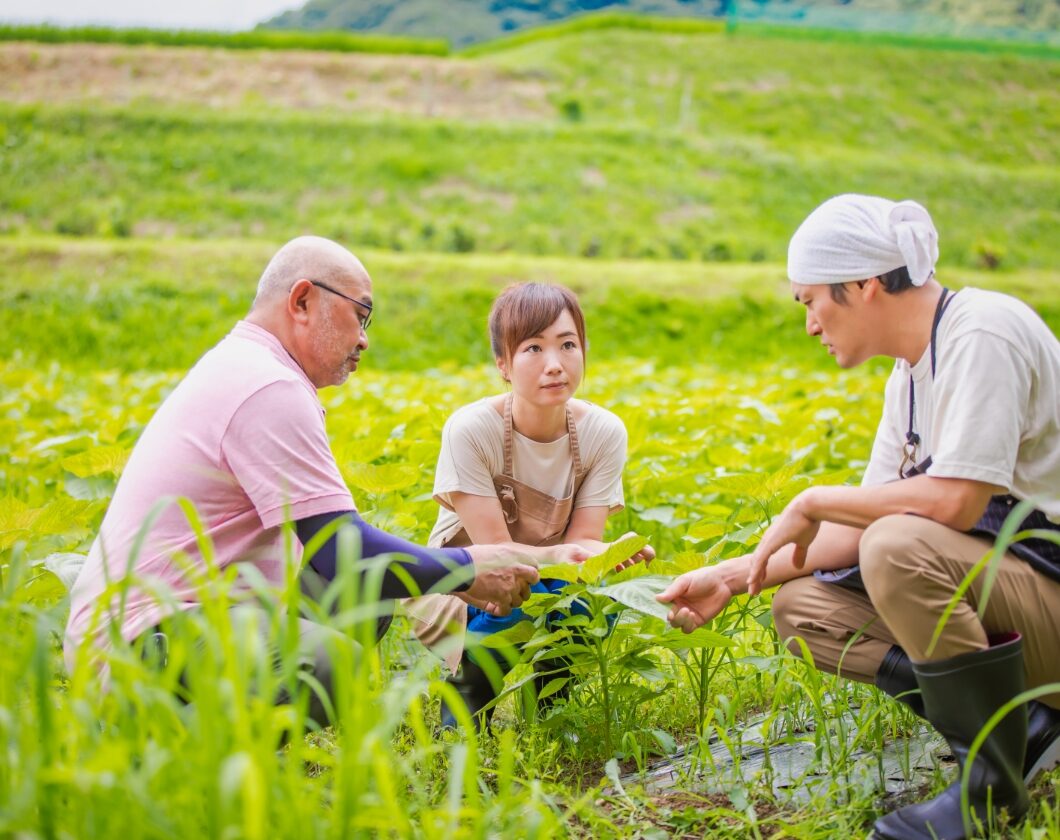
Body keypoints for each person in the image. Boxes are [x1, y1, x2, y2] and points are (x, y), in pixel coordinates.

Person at [657, 195, 1060, 839]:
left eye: (810, 300)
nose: (810, 324)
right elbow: (852, 535)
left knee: (897, 547)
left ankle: (990, 790)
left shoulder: (983, 330)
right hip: (1021, 596)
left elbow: (956, 501)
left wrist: (811, 499)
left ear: (865, 286)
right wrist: (733, 577)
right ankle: (1016, 729)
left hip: (1051, 592)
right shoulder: (906, 378)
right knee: (802, 611)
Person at [64, 236, 587, 727]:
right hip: (141, 638)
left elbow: (342, 555)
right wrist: (467, 567)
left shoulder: (251, 367)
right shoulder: (266, 385)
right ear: (301, 301)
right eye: (360, 314)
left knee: (368, 594)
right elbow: (343, 550)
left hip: (192, 612)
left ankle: (230, 747)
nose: (364, 339)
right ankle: (188, 767)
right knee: (330, 659)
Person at [404, 282, 653, 728]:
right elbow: (496, 560)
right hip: (472, 585)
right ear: (503, 364)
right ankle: (464, 700)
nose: (555, 365)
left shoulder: (603, 433)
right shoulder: (471, 430)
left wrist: (606, 559)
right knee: (512, 600)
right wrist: (572, 556)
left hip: (551, 581)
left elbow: (580, 552)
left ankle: (553, 709)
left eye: (568, 344)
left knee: (592, 600)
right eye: (533, 349)